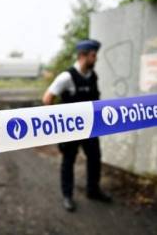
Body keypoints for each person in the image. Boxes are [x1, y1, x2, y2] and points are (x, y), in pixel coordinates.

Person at [42, 39, 112, 212]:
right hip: (71, 129)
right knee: (68, 161)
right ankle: (67, 196)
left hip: (91, 128)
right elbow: (47, 98)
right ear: (83, 56)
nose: (96, 59)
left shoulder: (92, 76)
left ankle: (93, 190)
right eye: (93, 55)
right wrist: (57, 123)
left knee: (95, 158)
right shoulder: (67, 77)